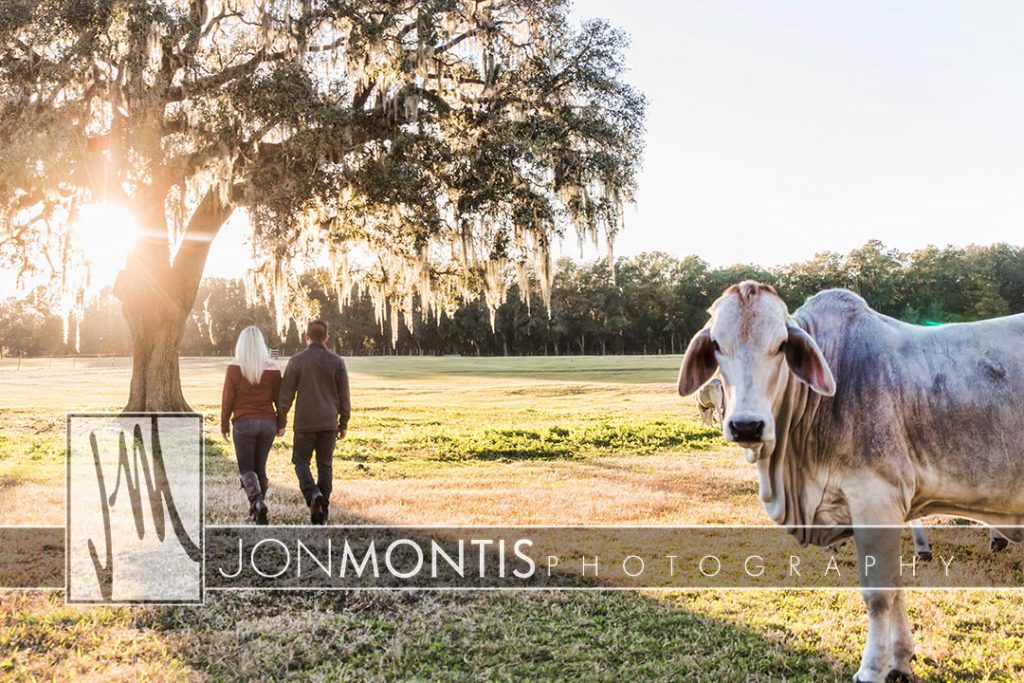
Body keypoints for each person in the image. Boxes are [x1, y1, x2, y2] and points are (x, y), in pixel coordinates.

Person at [278, 320, 350, 525]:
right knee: (325, 465)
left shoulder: (296, 361)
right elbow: (344, 395)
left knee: (300, 463)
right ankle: (322, 511)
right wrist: (344, 422)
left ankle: (312, 495)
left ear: (306, 337)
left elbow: (286, 395)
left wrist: (281, 420)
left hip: (304, 423)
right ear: (326, 338)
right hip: (329, 422)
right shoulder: (337, 362)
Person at [221, 326, 282, 525]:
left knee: (246, 468)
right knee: (260, 468)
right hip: (267, 422)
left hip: (243, 421)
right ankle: (256, 508)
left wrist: (224, 425)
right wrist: (281, 423)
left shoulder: (233, 367)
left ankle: (257, 502)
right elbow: (279, 400)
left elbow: (227, 400)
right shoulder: (273, 368)